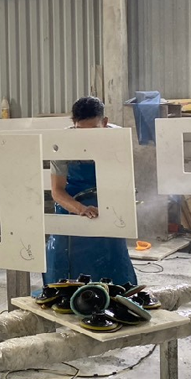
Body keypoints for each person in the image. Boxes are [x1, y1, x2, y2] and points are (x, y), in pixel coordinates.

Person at [44, 96, 137, 286]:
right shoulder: (62, 143)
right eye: (80, 130)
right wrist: (81, 209)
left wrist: (114, 207)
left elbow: (123, 183)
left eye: (93, 130)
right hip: (71, 204)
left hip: (106, 205)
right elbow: (57, 191)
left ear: (105, 122)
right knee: (63, 261)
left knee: (112, 259)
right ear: (74, 124)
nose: (86, 137)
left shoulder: (118, 139)